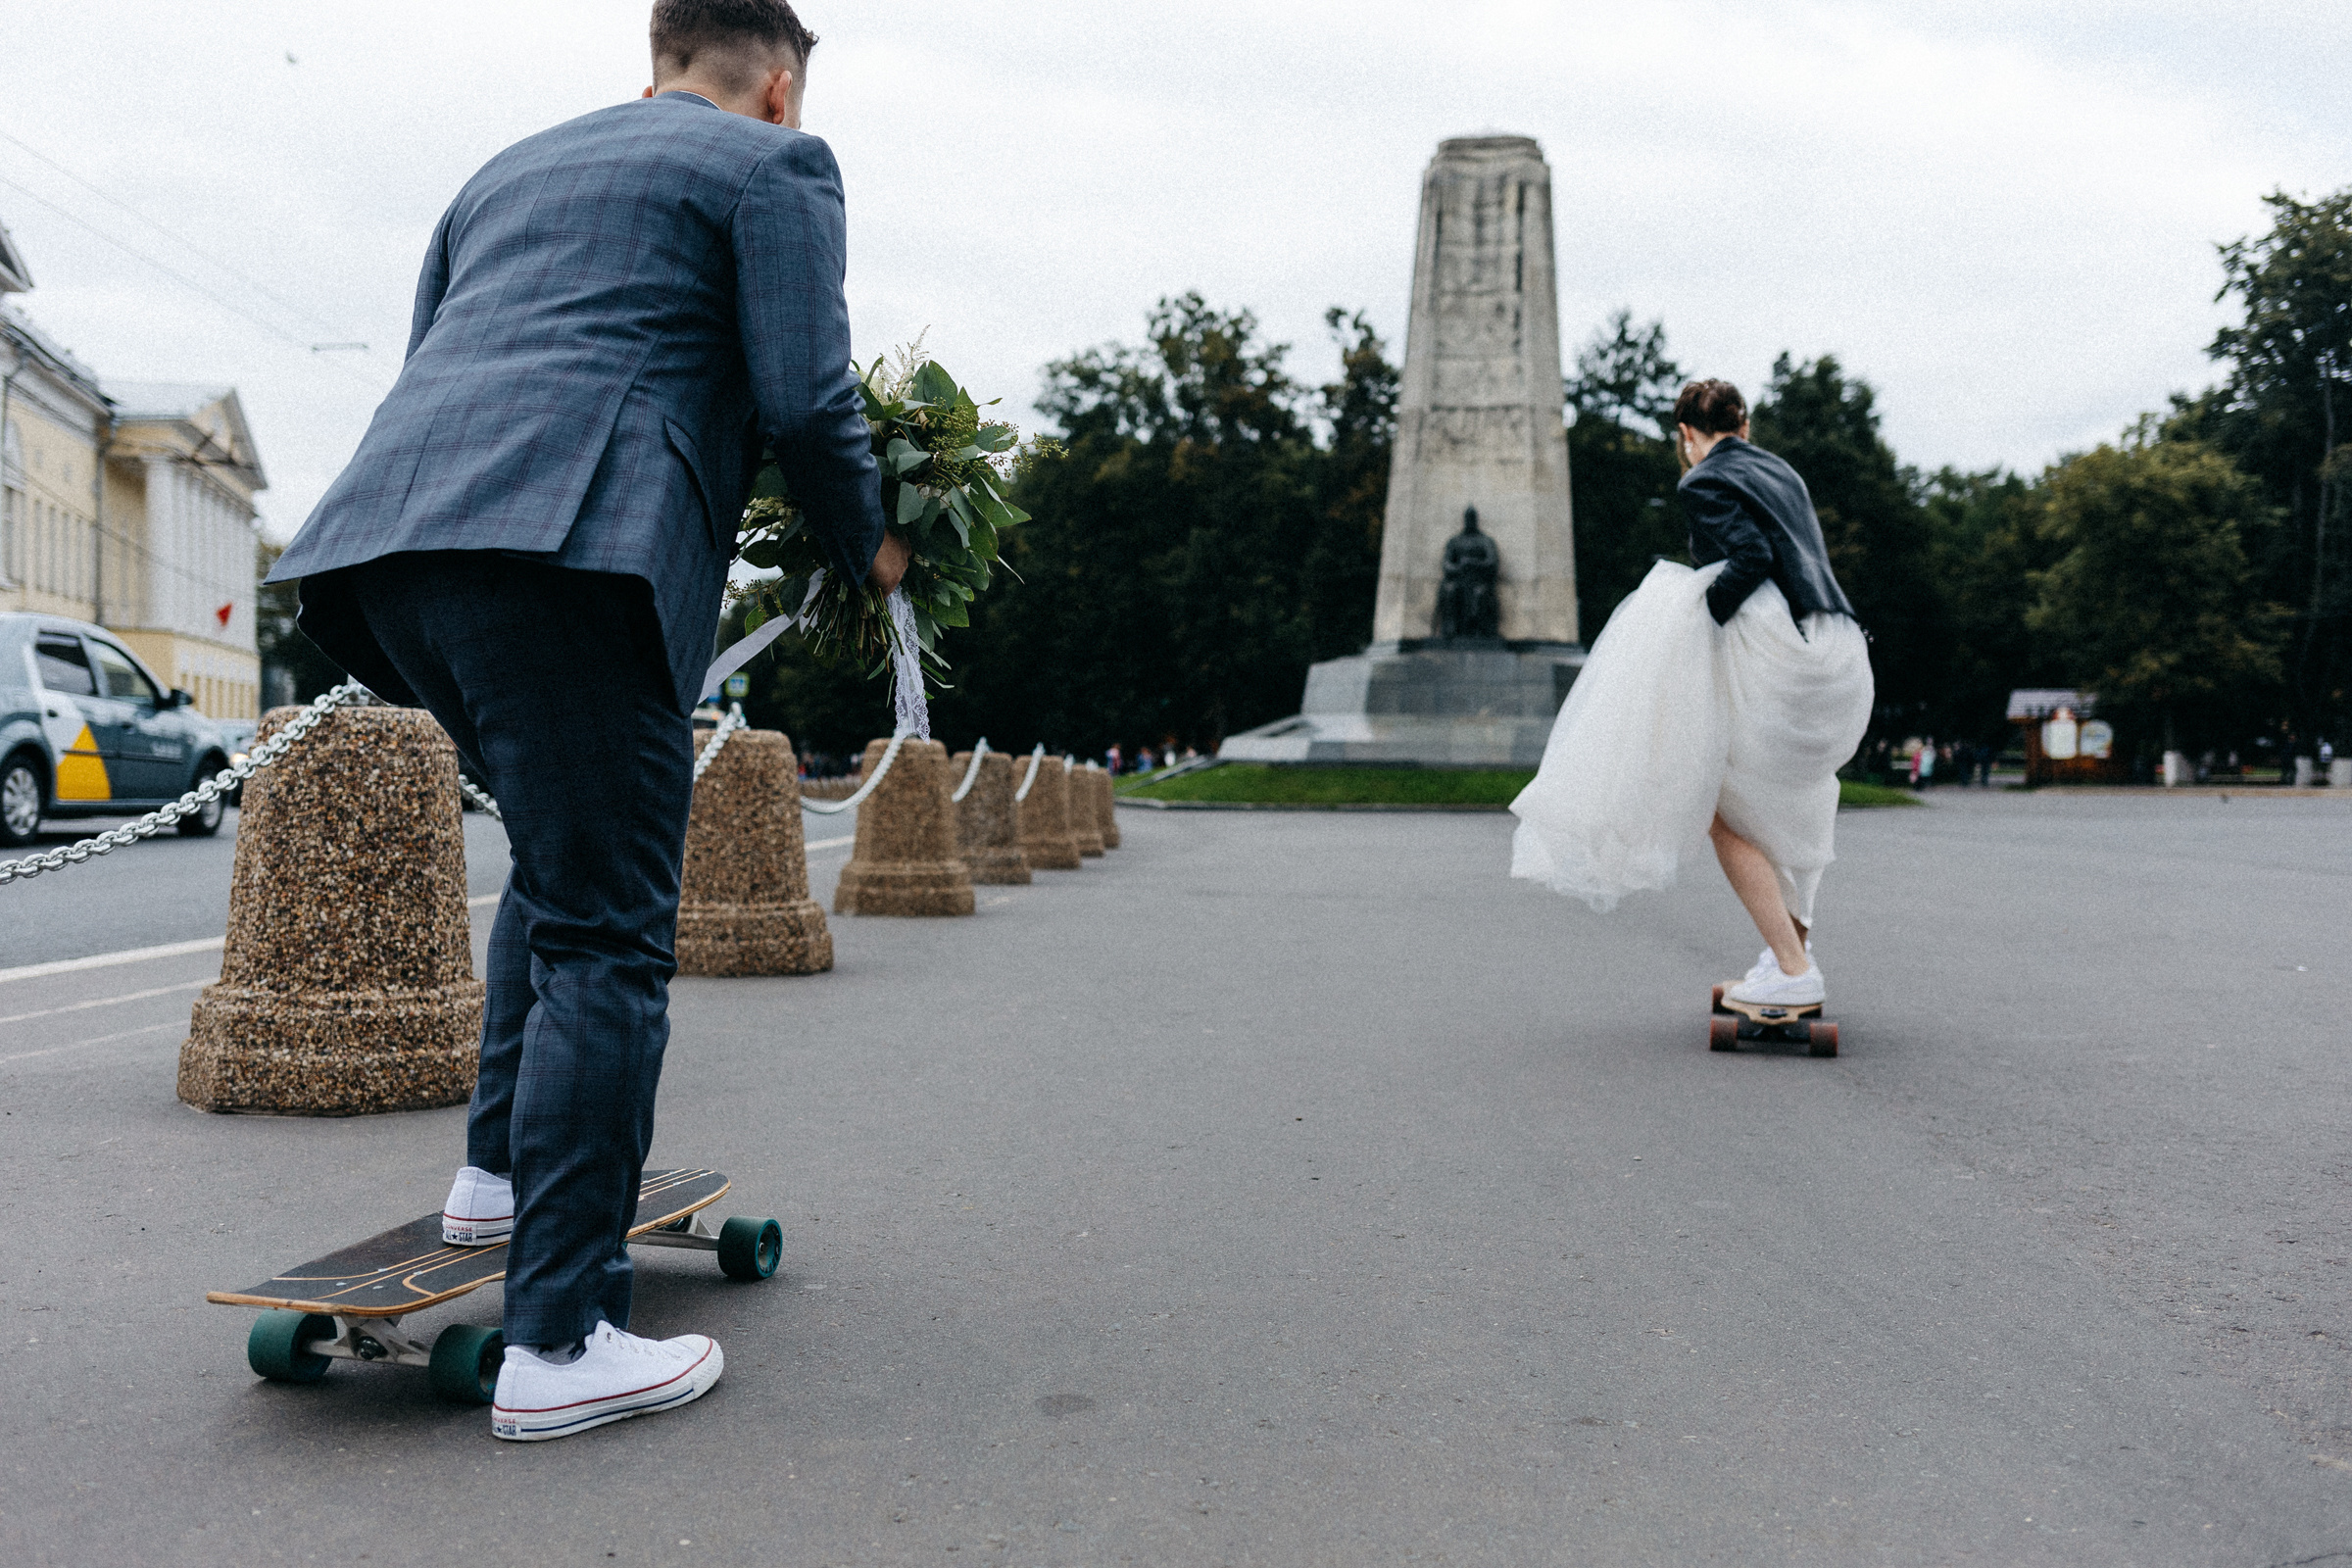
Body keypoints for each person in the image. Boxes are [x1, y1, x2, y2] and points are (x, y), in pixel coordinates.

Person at [264, 0, 902, 1442]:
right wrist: (874, 549)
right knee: (614, 924)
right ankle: (563, 1336)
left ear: (657, 63)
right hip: (573, 558)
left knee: (562, 869)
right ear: (780, 87)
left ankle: (496, 1178)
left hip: (391, 556)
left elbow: (442, 355)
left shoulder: (501, 171)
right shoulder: (776, 168)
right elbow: (807, 395)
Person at [1510, 379, 1873, 1010]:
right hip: (1837, 647)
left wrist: (1697, 618)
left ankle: (1792, 968)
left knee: (1723, 807)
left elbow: (1751, 557)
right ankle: (1790, 953)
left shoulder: (1702, 479)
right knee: (1786, 804)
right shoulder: (1780, 470)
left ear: (1686, 434)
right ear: (1744, 425)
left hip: (1784, 652)